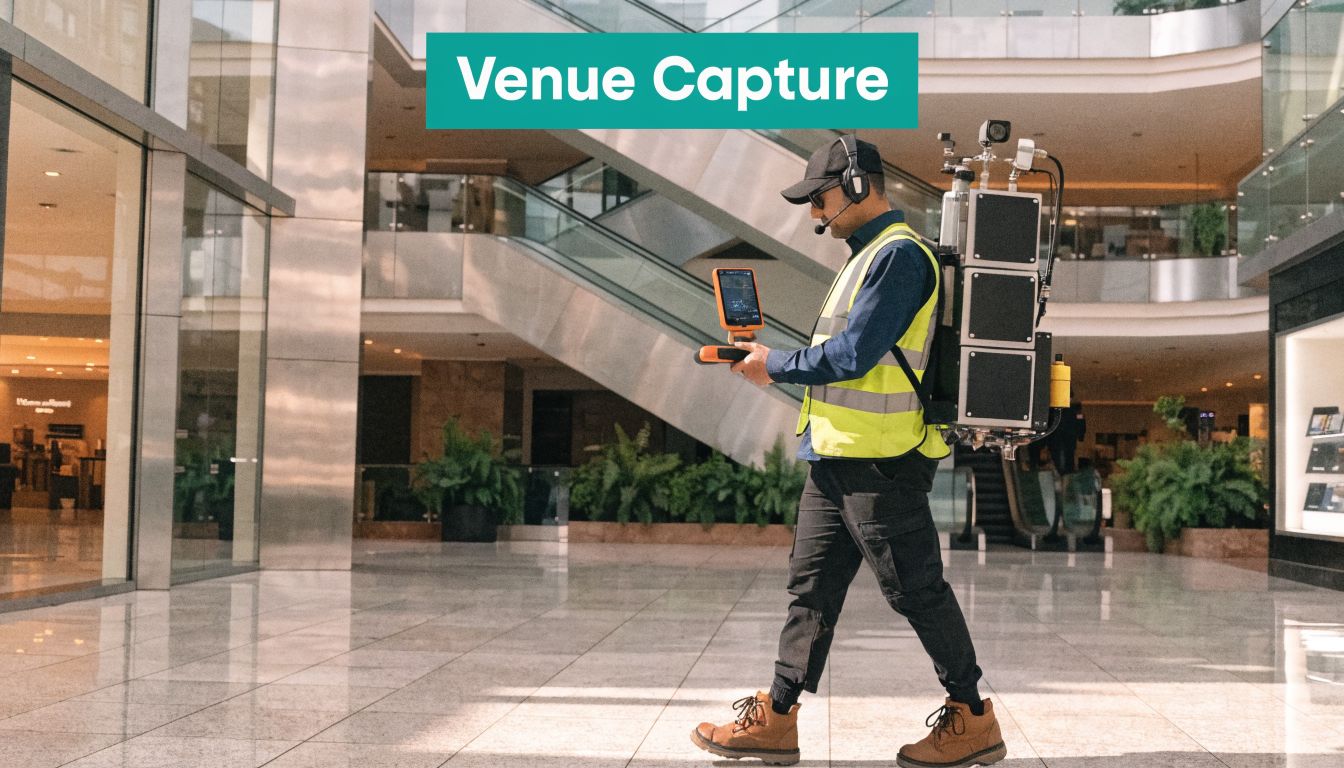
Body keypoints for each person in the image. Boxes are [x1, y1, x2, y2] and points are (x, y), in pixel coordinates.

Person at [690, 136, 1005, 768]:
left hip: (883, 461)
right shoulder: (863, 257)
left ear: (859, 185)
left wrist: (773, 364)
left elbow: (854, 354)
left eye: (820, 199)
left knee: (915, 589)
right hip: (836, 458)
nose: (814, 214)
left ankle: (973, 717)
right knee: (810, 591)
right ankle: (778, 718)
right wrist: (772, 362)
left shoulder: (899, 257)